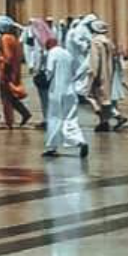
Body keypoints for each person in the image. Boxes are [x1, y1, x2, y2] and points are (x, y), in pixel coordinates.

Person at [43, 20, 91, 158]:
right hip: (71, 91)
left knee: (54, 118)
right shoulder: (66, 53)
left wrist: (43, 78)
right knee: (70, 119)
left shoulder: (52, 53)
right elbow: (78, 70)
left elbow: (49, 71)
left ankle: (51, 147)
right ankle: (79, 141)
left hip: (56, 92)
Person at [0, 17, 31, 126]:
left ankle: (9, 121)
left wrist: (2, 61)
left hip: (6, 71)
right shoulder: (13, 37)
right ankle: (24, 113)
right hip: (14, 70)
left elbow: (8, 56)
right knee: (11, 96)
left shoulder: (5, 38)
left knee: (6, 97)